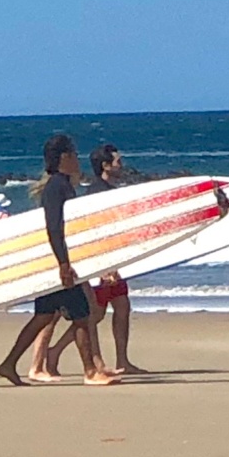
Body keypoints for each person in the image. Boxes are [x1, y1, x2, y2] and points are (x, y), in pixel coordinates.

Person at [0, 134, 115, 387]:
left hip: (56, 263)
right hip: (58, 265)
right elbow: (54, 227)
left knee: (44, 316)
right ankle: (91, 372)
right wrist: (63, 263)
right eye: (73, 154)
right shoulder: (56, 187)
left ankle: (9, 364)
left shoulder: (62, 185)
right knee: (81, 316)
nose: (77, 159)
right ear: (64, 157)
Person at [43, 143, 147, 376]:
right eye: (118, 161)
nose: (122, 165)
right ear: (105, 165)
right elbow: (94, 233)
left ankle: (122, 361)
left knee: (122, 306)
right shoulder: (97, 193)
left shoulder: (109, 189)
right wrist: (102, 266)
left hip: (112, 261)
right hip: (100, 264)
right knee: (94, 314)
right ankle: (57, 352)